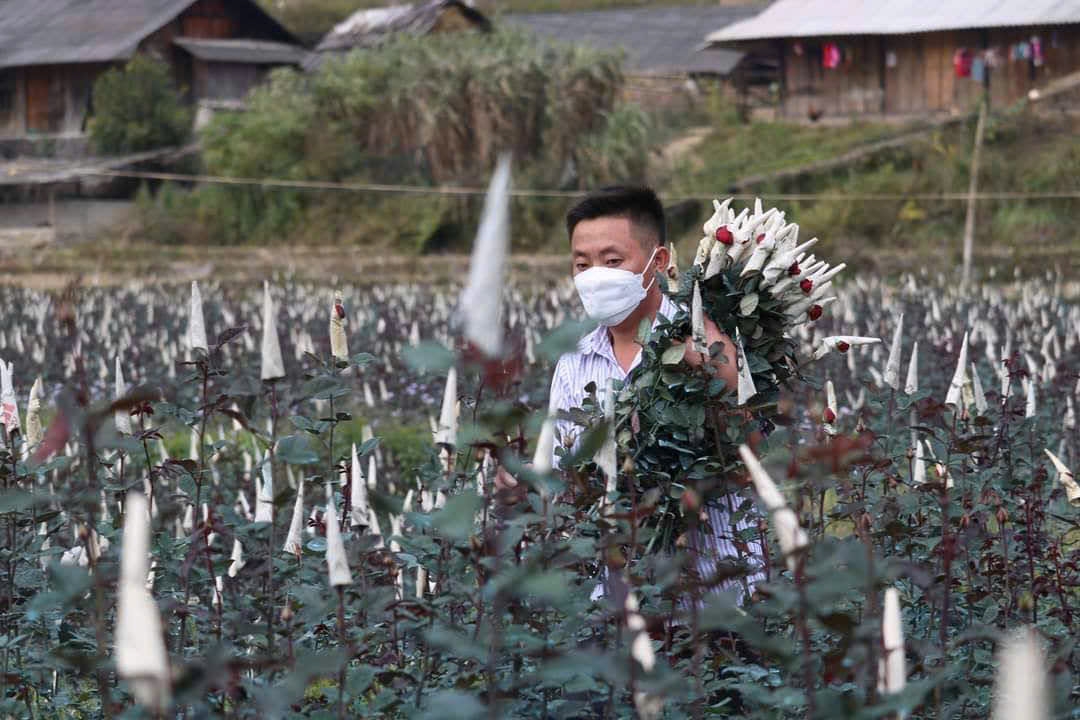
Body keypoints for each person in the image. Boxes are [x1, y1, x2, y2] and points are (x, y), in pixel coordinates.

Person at [501, 186, 767, 600]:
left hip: (716, 592)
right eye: (581, 265)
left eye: (612, 261)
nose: (594, 277)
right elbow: (564, 475)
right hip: (613, 596)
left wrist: (718, 369)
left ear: (657, 262)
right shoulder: (574, 361)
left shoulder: (708, 340)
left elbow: (756, 453)